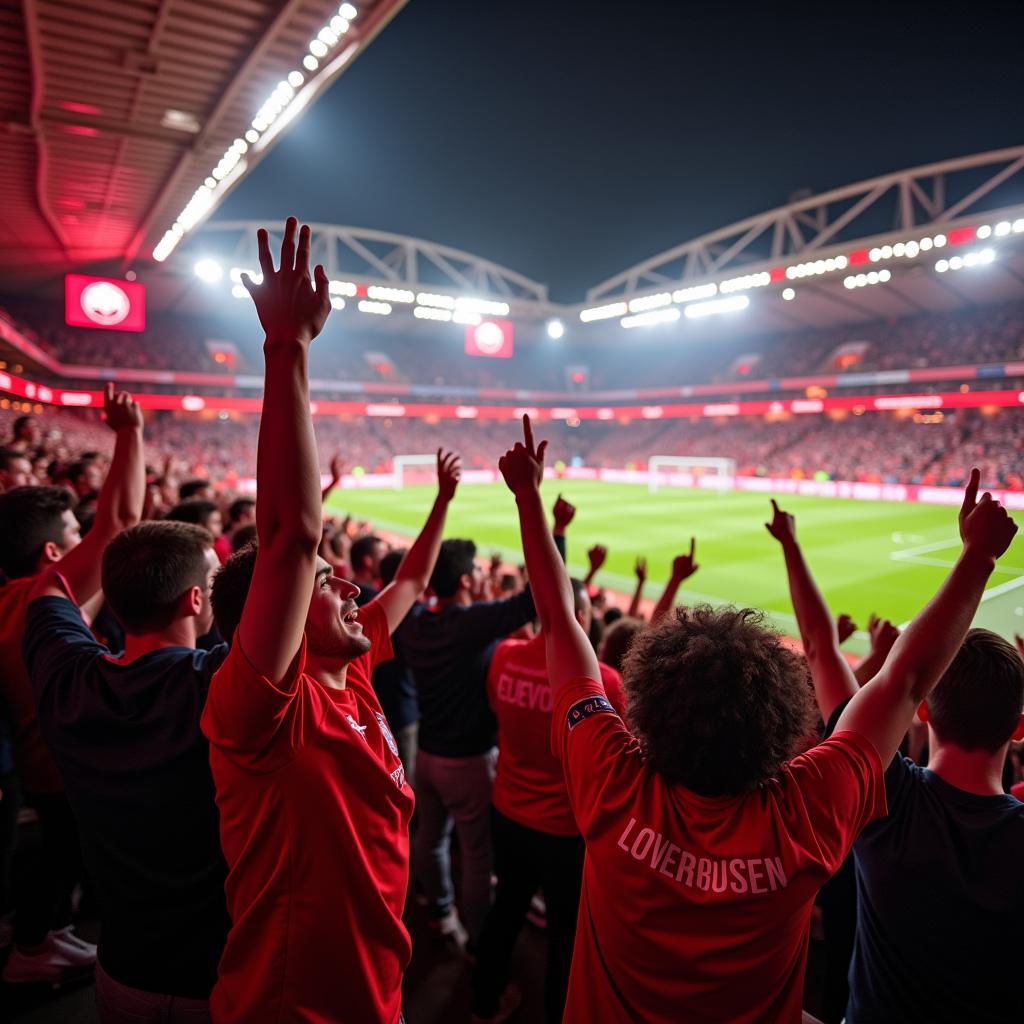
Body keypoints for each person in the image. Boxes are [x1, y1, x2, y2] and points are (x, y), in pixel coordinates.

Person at [497, 415, 1016, 1023]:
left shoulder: (609, 781)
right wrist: (977, 556)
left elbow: (560, 622)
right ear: (779, 722)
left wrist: (529, 499)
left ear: (646, 709)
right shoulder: (805, 815)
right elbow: (902, 682)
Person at [200, 218, 459, 1023]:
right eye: (325, 583)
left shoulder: (353, 675)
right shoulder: (264, 712)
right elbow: (288, 538)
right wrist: (288, 347)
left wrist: (446, 503)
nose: (349, 585)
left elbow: (410, 579)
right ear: (267, 626)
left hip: (375, 994)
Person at [769, 490, 1024, 1024]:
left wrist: (792, 544)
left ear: (925, 713)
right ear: (1019, 727)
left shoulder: (881, 793)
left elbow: (821, 648)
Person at [26, 519, 230, 1018]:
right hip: (222, 978)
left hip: (122, 972)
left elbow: (50, 584)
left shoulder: (67, 678)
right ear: (196, 600)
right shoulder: (220, 686)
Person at [0, 385, 142, 985]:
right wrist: (129, 433)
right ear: (54, 553)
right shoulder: (38, 596)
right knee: (65, 858)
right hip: (64, 770)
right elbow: (122, 525)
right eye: (72, 535)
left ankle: (46, 932)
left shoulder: (11, 600)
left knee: (62, 858)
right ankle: (32, 947)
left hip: (42, 769)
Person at [471, 495, 629, 1024]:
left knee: (505, 910)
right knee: (566, 932)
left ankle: (482, 1001)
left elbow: (497, 710)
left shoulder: (505, 658)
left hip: (508, 811)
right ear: (579, 615)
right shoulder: (605, 683)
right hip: (565, 830)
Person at [401, 533, 537, 951]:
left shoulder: (415, 619)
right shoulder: (467, 624)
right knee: (479, 858)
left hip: (426, 755)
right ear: (462, 580)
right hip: (469, 763)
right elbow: (535, 599)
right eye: (476, 569)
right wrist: (556, 533)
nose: (481, 574)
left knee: (430, 838)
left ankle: (441, 913)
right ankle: (479, 942)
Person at [350, 532, 387, 605]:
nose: (387, 560)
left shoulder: (350, 589)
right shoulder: (369, 599)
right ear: (368, 561)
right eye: (383, 555)